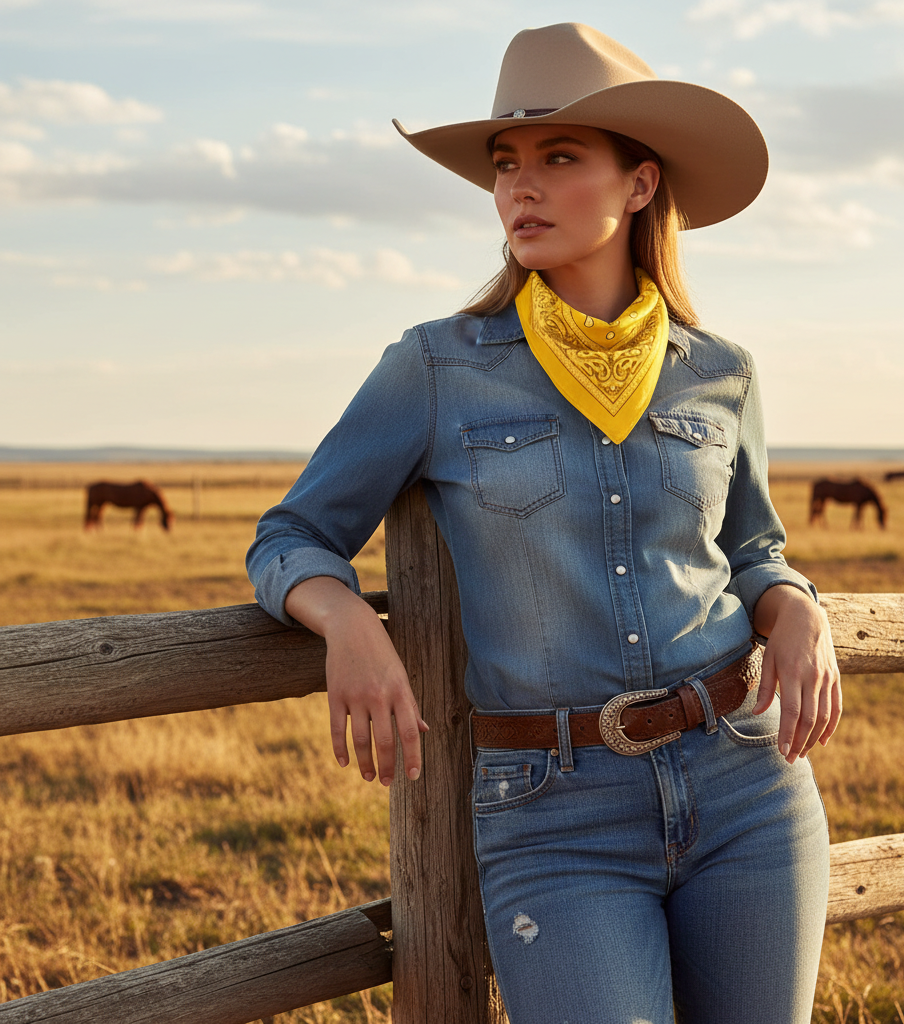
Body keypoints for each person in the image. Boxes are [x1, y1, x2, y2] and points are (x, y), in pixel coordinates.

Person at [247, 22, 841, 1024]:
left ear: (639, 185)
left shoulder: (718, 370)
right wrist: (345, 620)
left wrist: (797, 608)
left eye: (558, 158)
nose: (519, 187)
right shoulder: (437, 368)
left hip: (746, 777)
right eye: (505, 163)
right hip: (556, 811)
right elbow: (291, 533)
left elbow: (750, 549)